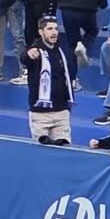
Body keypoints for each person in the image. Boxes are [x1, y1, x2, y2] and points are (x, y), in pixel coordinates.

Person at [21, 14, 74, 145]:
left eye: (56, 29)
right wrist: (28, 54)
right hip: (40, 115)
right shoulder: (35, 50)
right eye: (49, 29)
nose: (54, 32)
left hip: (61, 112)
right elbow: (24, 58)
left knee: (64, 153)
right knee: (42, 156)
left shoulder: (63, 50)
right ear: (41, 31)